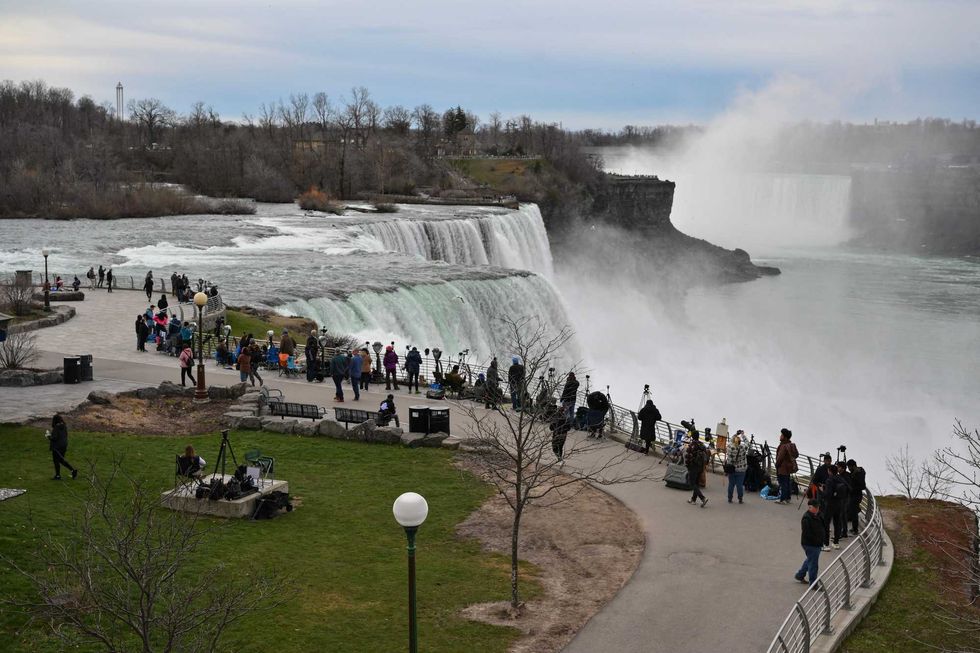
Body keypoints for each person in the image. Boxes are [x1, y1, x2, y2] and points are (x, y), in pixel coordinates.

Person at [795, 498, 825, 586]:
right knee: (814, 564)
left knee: (811, 559)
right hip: (810, 544)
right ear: (810, 507)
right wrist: (818, 540)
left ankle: (800, 575)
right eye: (816, 507)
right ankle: (813, 583)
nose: (817, 509)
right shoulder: (806, 518)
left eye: (818, 507)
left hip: (817, 543)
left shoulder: (819, 514)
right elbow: (807, 534)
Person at [823, 464, 847, 549]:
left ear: (830, 471)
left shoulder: (829, 480)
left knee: (826, 523)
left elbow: (828, 494)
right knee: (837, 523)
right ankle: (836, 543)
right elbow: (848, 488)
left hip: (830, 504)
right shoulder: (841, 478)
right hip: (839, 503)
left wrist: (822, 491)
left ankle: (825, 544)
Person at [47, 414, 78, 480]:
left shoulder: (56, 427)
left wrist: (48, 437)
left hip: (57, 447)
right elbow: (65, 435)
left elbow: (54, 438)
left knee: (56, 461)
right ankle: (73, 470)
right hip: (64, 445)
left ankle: (58, 475)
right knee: (61, 460)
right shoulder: (64, 426)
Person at [775, 428, 799, 504]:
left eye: (782, 435)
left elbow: (780, 458)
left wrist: (777, 465)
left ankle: (783, 499)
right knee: (787, 483)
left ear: (784, 437)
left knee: (783, 484)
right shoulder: (790, 445)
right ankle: (788, 498)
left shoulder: (783, 446)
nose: (780, 436)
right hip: (788, 468)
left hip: (782, 468)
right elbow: (796, 455)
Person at [685, 433, 709, 507]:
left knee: (692, 483)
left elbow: (688, 457)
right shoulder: (702, 445)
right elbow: (707, 455)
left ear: (692, 437)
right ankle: (693, 499)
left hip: (693, 466)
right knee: (696, 483)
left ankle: (703, 498)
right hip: (700, 466)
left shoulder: (692, 445)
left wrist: (687, 465)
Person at [726, 432, 749, 503]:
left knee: (731, 484)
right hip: (741, 470)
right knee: (739, 485)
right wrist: (742, 435)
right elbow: (747, 442)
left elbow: (730, 440)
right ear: (740, 442)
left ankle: (730, 498)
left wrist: (736, 434)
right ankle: (740, 499)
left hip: (731, 469)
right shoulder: (743, 447)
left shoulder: (730, 447)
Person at [846, 459, 867, 535]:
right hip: (853, 495)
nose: (848, 469)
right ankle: (854, 528)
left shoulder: (859, 474)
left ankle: (855, 529)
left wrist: (852, 488)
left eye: (849, 467)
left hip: (856, 495)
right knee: (852, 511)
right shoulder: (855, 473)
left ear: (853, 466)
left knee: (854, 512)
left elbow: (862, 486)